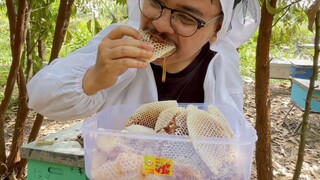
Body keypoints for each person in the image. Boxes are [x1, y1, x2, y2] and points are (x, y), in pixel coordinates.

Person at [27, 0, 261, 121]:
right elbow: (40, 96)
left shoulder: (222, 62)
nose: (159, 24)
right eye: (154, 3)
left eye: (186, 18)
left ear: (216, 28)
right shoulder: (121, 41)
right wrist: (94, 78)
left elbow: (229, 139)